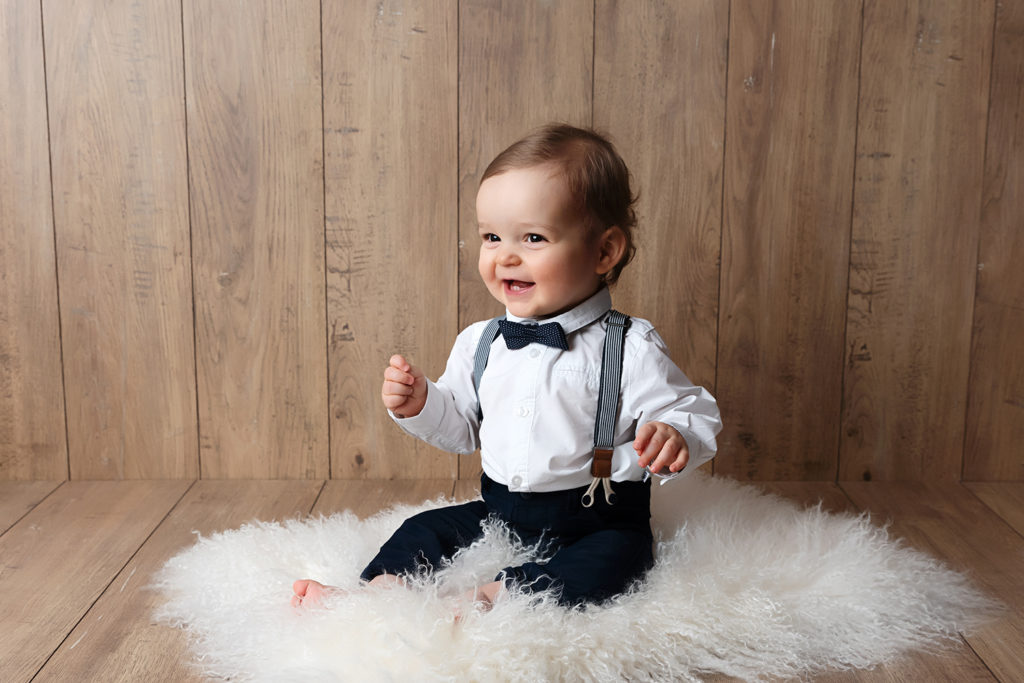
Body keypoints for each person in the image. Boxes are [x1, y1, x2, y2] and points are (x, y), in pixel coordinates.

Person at [293, 123, 721, 610]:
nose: (506, 256)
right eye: (492, 237)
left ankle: (491, 598)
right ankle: (376, 595)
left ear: (604, 251)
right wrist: (422, 404)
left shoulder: (629, 346)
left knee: (615, 561)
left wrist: (673, 433)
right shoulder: (482, 342)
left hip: (598, 517)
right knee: (424, 528)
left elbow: (694, 410)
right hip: (502, 513)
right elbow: (462, 430)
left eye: (533, 238)